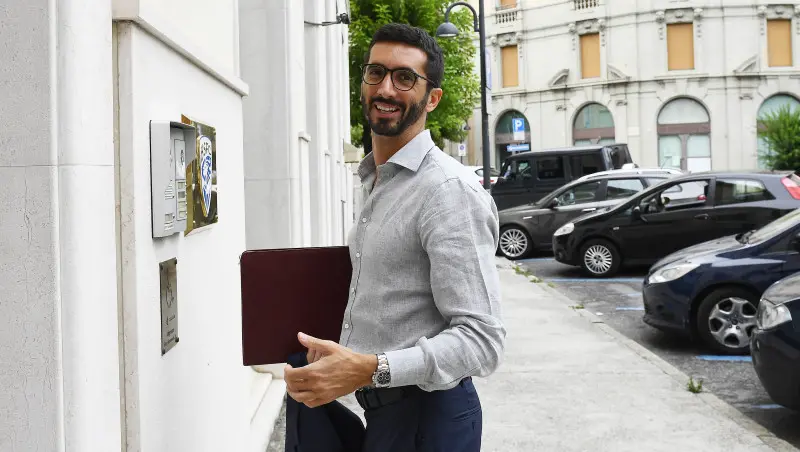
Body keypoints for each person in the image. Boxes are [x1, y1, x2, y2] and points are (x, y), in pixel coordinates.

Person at [283, 23, 505, 452]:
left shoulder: (448, 191)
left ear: (432, 98)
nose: (386, 87)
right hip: (383, 413)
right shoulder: (375, 180)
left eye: (405, 78)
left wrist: (370, 368)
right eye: (376, 73)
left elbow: (483, 341)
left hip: (430, 420)